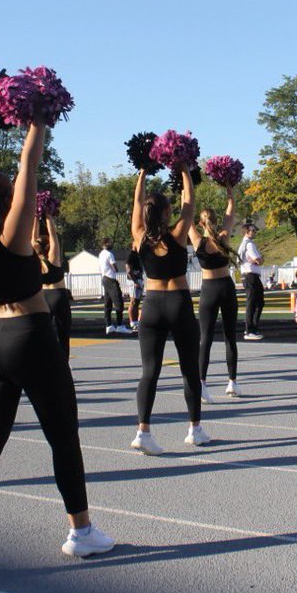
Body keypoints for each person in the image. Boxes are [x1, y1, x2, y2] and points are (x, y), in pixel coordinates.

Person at [0, 115, 113, 577]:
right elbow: (28, 166)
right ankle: (82, 532)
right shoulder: (12, 234)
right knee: (63, 437)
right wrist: (37, 122)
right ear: (6, 200)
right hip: (30, 339)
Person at [130, 161, 209, 455]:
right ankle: (195, 429)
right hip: (178, 303)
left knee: (149, 372)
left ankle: (143, 431)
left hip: (150, 307)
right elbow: (189, 203)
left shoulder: (139, 236)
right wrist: (185, 170)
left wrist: (142, 174)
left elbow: (137, 203)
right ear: (166, 212)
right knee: (189, 369)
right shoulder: (177, 234)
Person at [193, 187, 239, 401]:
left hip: (209, 289)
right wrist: (230, 193)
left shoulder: (198, 241)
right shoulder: (223, 237)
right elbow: (230, 214)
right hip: (226, 288)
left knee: (205, 338)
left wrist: (186, 189)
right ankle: (232, 382)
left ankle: (201, 383)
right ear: (215, 220)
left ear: (201, 223)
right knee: (230, 337)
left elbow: (185, 216)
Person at [36, 215, 73, 358]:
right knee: (63, 334)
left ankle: (43, 364)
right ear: (49, 246)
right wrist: (47, 216)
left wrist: (35, 217)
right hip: (58, 295)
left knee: (43, 333)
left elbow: (33, 238)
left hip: (43, 297)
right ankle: (64, 366)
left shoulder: (35, 259)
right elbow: (53, 236)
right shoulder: (53, 259)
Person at [238, 223, 265, 340]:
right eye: (253, 230)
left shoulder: (243, 244)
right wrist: (260, 259)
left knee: (258, 302)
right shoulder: (249, 244)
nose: (255, 232)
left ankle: (252, 328)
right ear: (246, 232)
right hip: (251, 275)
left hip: (248, 275)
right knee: (253, 302)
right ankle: (249, 330)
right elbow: (259, 261)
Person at [99, 238, 127, 334]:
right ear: (106, 243)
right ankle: (119, 325)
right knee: (119, 302)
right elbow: (115, 267)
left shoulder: (101, 254)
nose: (112, 244)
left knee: (108, 303)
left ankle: (109, 325)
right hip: (111, 279)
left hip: (104, 278)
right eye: (110, 242)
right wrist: (116, 269)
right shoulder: (109, 254)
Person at [126, 248, 144, 333]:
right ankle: (132, 323)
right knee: (133, 301)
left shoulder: (138, 255)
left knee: (137, 302)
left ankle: (136, 322)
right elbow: (128, 270)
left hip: (139, 279)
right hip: (134, 281)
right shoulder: (131, 255)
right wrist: (135, 281)